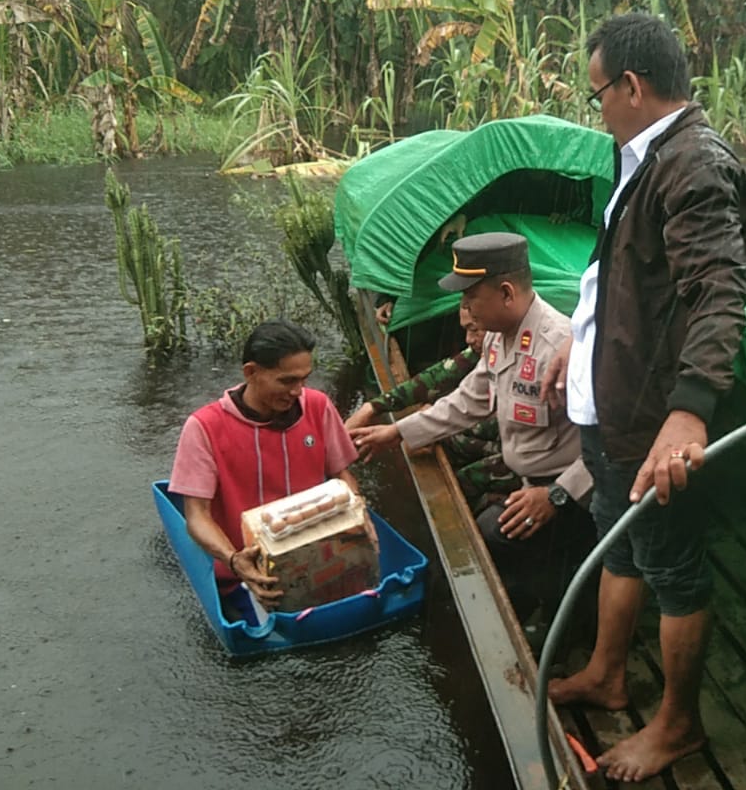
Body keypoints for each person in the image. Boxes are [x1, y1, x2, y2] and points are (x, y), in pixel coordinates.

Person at [542, 13, 746, 781]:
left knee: (672, 567)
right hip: (611, 408)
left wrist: (689, 407)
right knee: (620, 539)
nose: (596, 105)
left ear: (631, 86)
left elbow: (718, 292)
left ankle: (677, 724)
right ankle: (608, 673)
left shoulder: (692, 165)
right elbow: (626, 281)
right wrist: (581, 336)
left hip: (649, 416)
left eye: (598, 90)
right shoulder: (645, 157)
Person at [353, 232, 594, 622]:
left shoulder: (562, 347)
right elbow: (470, 399)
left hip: (570, 496)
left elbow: (612, 444)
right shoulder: (500, 337)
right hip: (526, 481)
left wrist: (557, 495)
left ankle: (561, 620)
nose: (464, 308)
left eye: (470, 298)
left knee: (494, 538)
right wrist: (395, 432)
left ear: (505, 292)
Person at [168, 320, 362, 623]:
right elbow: (196, 514)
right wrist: (234, 561)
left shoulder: (318, 406)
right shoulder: (205, 427)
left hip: (320, 557)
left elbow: (343, 477)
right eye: (286, 381)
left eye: (304, 380)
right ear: (251, 372)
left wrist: (358, 521)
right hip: (247, 570)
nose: (298, 391)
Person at [344, 306, 515, 504]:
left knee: (456, 482)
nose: (468, 339)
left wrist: (421, 427)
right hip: (505, 443)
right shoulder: (485, 347)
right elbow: (438, 376)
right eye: (467, 330)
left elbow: (474, 414)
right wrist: (373, 407)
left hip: (522, 455)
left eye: (475, 330)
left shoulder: (516, 352)